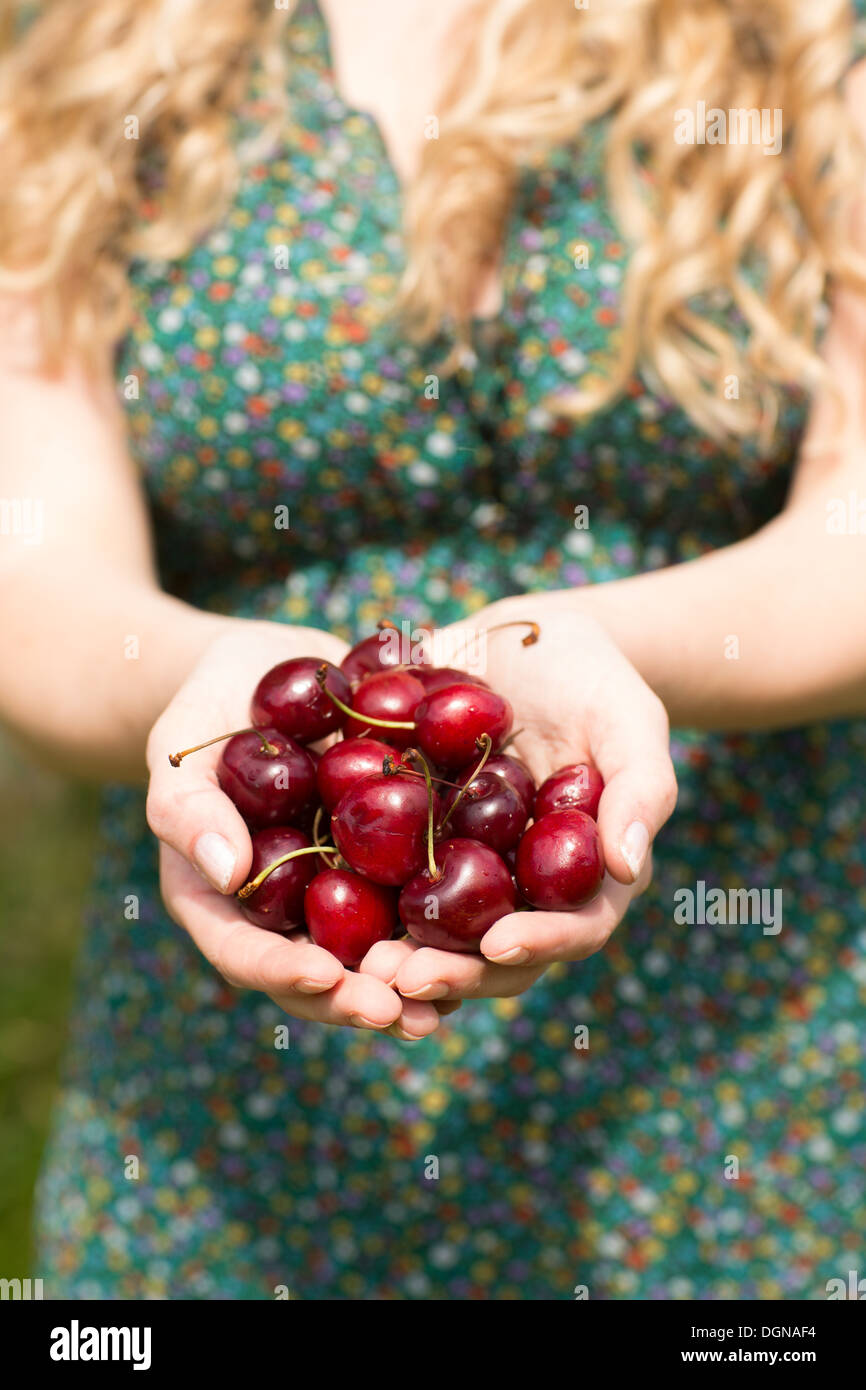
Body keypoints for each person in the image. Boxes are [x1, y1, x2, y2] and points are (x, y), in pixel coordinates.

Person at [2, 0, 865, 1299]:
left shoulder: (801, 41)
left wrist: (599, 643)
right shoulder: (96, 54)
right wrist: (197, 692)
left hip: (729, 1074)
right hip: (232, 1101)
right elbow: (33, 571)